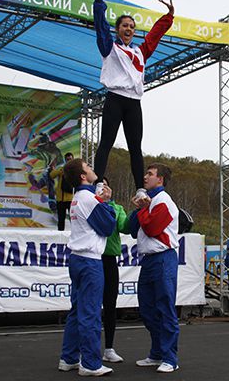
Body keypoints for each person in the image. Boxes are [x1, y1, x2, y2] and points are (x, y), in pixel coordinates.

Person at [92, 0, 174, 196]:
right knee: (106, 143)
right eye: (124, 25)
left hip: (133, 102)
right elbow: (100, 27)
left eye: (132, 26)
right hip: (115, 99)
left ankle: (140, 189)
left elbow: (155, 35)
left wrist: (168, 17)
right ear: (118, 29)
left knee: (135, 148)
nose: (128, 29)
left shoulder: (140, 51)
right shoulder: (109, 47)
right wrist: (99, 1)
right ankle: (98, 182)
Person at [58, 158, 117, 376]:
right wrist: (106, 202)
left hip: (77, 258)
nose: (93, 170)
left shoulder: (78, 197)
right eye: (88, 168)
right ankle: (90, 363)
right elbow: (108, 227)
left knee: (77, 310)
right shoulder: (89, 198)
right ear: (83, 176)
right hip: (89, 260)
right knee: (90, 312)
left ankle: (69, 357)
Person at [129, 163, 180, 373]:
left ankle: (170, 358)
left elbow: (151, 229)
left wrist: (143, 209)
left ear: (160, 180)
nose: (145, 177)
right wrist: (137, 209)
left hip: (163, 258)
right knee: (147, 309)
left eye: (150, 174)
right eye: (145, 173)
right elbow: (133, 230)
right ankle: (157, 352)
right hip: (149, 260)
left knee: (165, 308)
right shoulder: (149, 202)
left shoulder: (165, 202)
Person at [100, 177, 131, 363]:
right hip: (93, 258)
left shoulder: (116, 207)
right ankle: (83, 349)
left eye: (105, 185)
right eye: (99, 185)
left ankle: (109, 348)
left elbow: (123, 227)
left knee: (110, 305)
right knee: (89, 306)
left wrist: (110, 204)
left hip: (110, 259)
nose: (102, 188)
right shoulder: (87, 203)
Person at [50, 152, 74, 231]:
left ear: (73, 159)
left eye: (70, 159)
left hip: (71, 199)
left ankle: (75, 234)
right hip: (60, 198)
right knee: (61, 219)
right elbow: (52, 175)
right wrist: (62, 170)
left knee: (73, 219)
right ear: (65, 160)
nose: (68, 161)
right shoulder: (62, 169)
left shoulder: (75, 170)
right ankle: (60, 236)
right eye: (67, 160)